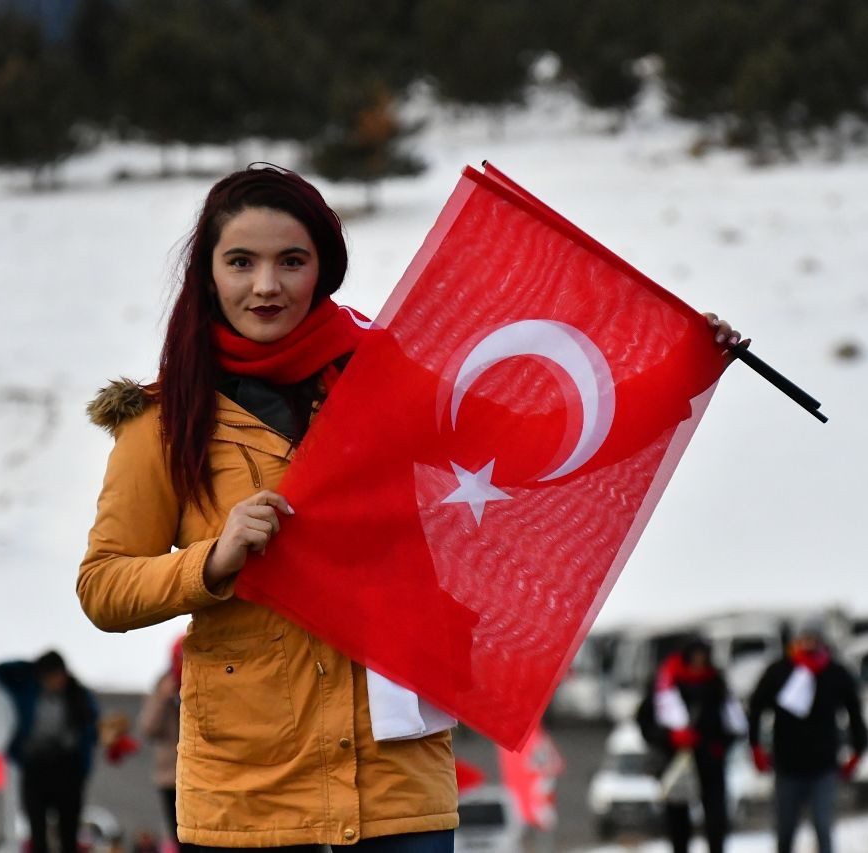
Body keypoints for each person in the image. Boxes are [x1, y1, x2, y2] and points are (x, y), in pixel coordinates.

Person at [77, 164, 744, 851]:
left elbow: (537, 445)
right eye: (241, 261)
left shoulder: (382, 376)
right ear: (208, 273)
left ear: (324, 268)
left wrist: (679, 370)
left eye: (291, 261)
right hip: (248, 792)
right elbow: (102, 587)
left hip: (396, 781)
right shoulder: (162, 419)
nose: (266, 285)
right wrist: (212, 561)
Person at [748, 619, 868, 853]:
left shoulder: (835, 672)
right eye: (803, 639)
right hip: (787, 764)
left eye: (812, 639)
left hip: (824, 764)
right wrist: (755, 746)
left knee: (824, 829)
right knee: (785, 830)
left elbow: (855, 712)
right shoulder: (780, 671)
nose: (807, 644)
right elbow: (756, 708)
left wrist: (858, 750)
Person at [636, 638, 748, 853]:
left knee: (716, 819)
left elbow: (733, 721)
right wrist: (670, 737)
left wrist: (720, 746)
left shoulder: (716, 682)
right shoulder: (664, 682)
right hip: (677, 761)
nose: (699, 661)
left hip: (711, 761)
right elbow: (645, 723)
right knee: (677, 821)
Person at [0, 651, 99, 853]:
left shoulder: (78, 695)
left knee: (68, 832)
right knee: (37, 832)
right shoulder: (28, 692)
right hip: (36, 767)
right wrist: (31, 666)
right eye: (50, 676)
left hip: (68, 770)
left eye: (59, 675)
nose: (56, 681)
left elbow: (93, 729)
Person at [137, 640, 183, 849]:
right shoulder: (162, 688)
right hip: (170, 777)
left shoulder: (206, 680)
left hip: (204, 775)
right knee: (179, 836)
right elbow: (147, 728)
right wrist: (164, 698)